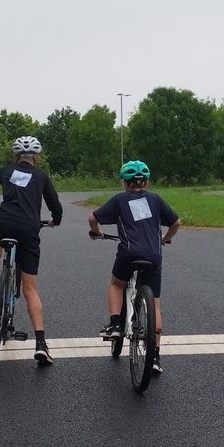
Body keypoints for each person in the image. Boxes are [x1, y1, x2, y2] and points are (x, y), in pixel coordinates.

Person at [0, 136, 63, 366]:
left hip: (5, 222)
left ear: (15, 156)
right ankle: (40, 343)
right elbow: (56, 206)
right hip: (29, 228)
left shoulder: (7, 170)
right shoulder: (41, 176)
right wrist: (55, 220)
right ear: (36, 157)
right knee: (30, 288)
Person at [88, 160, 182, 374]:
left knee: (116, 284)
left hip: (128, 253)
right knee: (155, 303)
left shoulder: (120, 199)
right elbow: (176, 222)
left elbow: (93, 218)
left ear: (125, 182)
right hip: (153, 255)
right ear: (146, 182)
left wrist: (97, 232)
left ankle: (115, 324)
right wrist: (164, 239)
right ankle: (155, 356)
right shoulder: (155, 199)